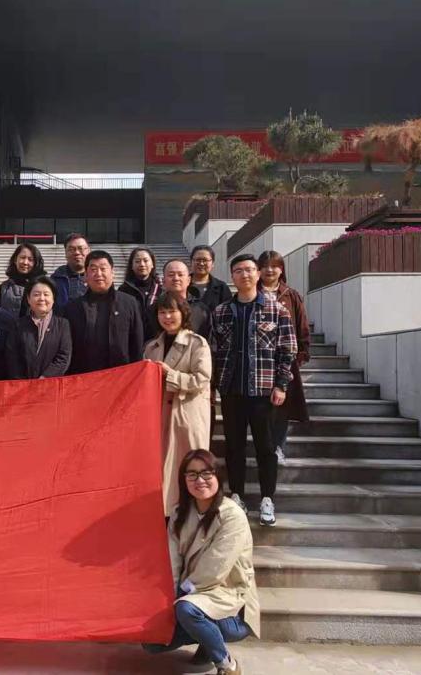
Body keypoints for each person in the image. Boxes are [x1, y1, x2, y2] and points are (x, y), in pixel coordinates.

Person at [143, 449, 260, 675]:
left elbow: (216, 567)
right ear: (183, 480)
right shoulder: (179, 514)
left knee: (187, 610)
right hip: (193, 596)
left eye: (207, 473)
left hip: (230, 604)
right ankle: (206, 641)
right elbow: (172, 561)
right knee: (152, 643)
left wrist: (181, 594)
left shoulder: (232, 515)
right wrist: (166, 598)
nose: (200, 480)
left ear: (218, 476)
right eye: (192, 474)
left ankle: (227, 665)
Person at [211, 254, 296, 527]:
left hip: (263, 391)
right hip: (231, 390)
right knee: (234, 446)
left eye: (249, 270)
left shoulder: (277, 310)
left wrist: (281, 384)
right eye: (238, 271)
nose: (244, 275)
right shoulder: (221, 311)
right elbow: (214, 351)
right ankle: (236, 495)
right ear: (232, 277)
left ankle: (267, 498)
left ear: (258, 274)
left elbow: (287, 350)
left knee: (266, 448)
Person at [143, 292, 212, 516]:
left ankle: (195, 514)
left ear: (183, 313)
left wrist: (170, 375)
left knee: (191, 465)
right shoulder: (152, 347)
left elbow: (202, 379)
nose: (167, 317)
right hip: (160, 416)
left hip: (187, 415)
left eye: (172, 311)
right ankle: (166, 517)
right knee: (164, 471)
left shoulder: (197, 343)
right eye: (162, 312)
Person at [258, 250, 311, 464]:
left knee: (281, 407)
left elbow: (302, 326)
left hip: (285, 361)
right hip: (259, 360)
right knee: (260, 407)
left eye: (274, 266)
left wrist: (299, 356)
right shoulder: (252, 292)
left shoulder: (291, 295)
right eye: (264, 266)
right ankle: (264, 447)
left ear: (282, 269)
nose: (269, 270)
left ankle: (278, 447)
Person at [64, 250, 144, 374]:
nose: (98, 274)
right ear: (86, 275)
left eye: (103, 268)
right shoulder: (73, 307)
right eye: (93, 269)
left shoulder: (129, 303)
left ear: (112, 273)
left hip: (121, 376)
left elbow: (137, 344)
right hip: (85, 377)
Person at [5, 275, 72, 378]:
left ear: (53, 299)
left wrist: (44, 378)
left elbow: (63, 357)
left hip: (51, 383)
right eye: (36, 294)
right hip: (23, 384)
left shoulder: (63, 325)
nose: (41, 298)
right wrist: (22, 381)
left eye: (46, 294)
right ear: (28, 299)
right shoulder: (18, 325)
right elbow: (12, 357)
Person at [151, 259, 211, 339]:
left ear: (189, 280)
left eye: (180, 274)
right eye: (171, 275)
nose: (176, 278)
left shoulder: (201, 310)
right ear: (163, 281)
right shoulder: (155, 308)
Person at [119, 246, 162, 339]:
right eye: (137, 261)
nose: (142, 264)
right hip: (131, 338)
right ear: (131, 266)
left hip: (156, 339)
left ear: (152, 264)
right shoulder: (123, 290)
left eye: (146, 261)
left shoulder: (161, 289)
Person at [0, 242, 46, 317]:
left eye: (30, 259)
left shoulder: (43, 286)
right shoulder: (4, 287)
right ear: (15, 260)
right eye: (22, 258)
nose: (25, 262)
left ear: (36, 263)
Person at [51, 233, 90, 313]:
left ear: (88, 251)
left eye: (81, 248)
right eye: (71, 249)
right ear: (65, 253)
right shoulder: (55, 280)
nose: (77, 252)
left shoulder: (97, 277)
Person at [189, 245, 233, 313]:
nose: (201, 263)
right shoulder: (181, 284)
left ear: (212, 263)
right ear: (191, 262)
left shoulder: (221, 287)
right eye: (198, 260)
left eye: (205, 260)